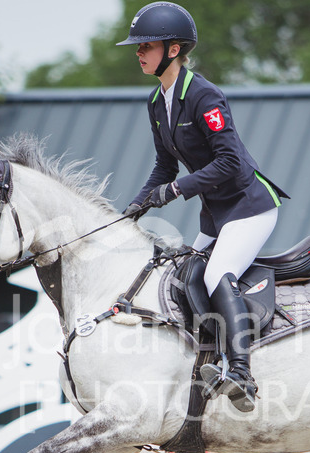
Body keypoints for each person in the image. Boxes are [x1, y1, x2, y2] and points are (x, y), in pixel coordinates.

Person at [118, 2, 288, 413]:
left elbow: (229, 161)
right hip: (215, 213)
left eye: (146, 46)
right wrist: (136, 205)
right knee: (183, 275)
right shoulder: (156, 102)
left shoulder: (204, 95)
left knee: (215, 275)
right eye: (138, 46)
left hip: (249, 206)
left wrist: (176, 189)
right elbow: (164, 166)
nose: (138, 52)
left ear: (173, 50)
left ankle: (242, 374)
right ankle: (207, 356)